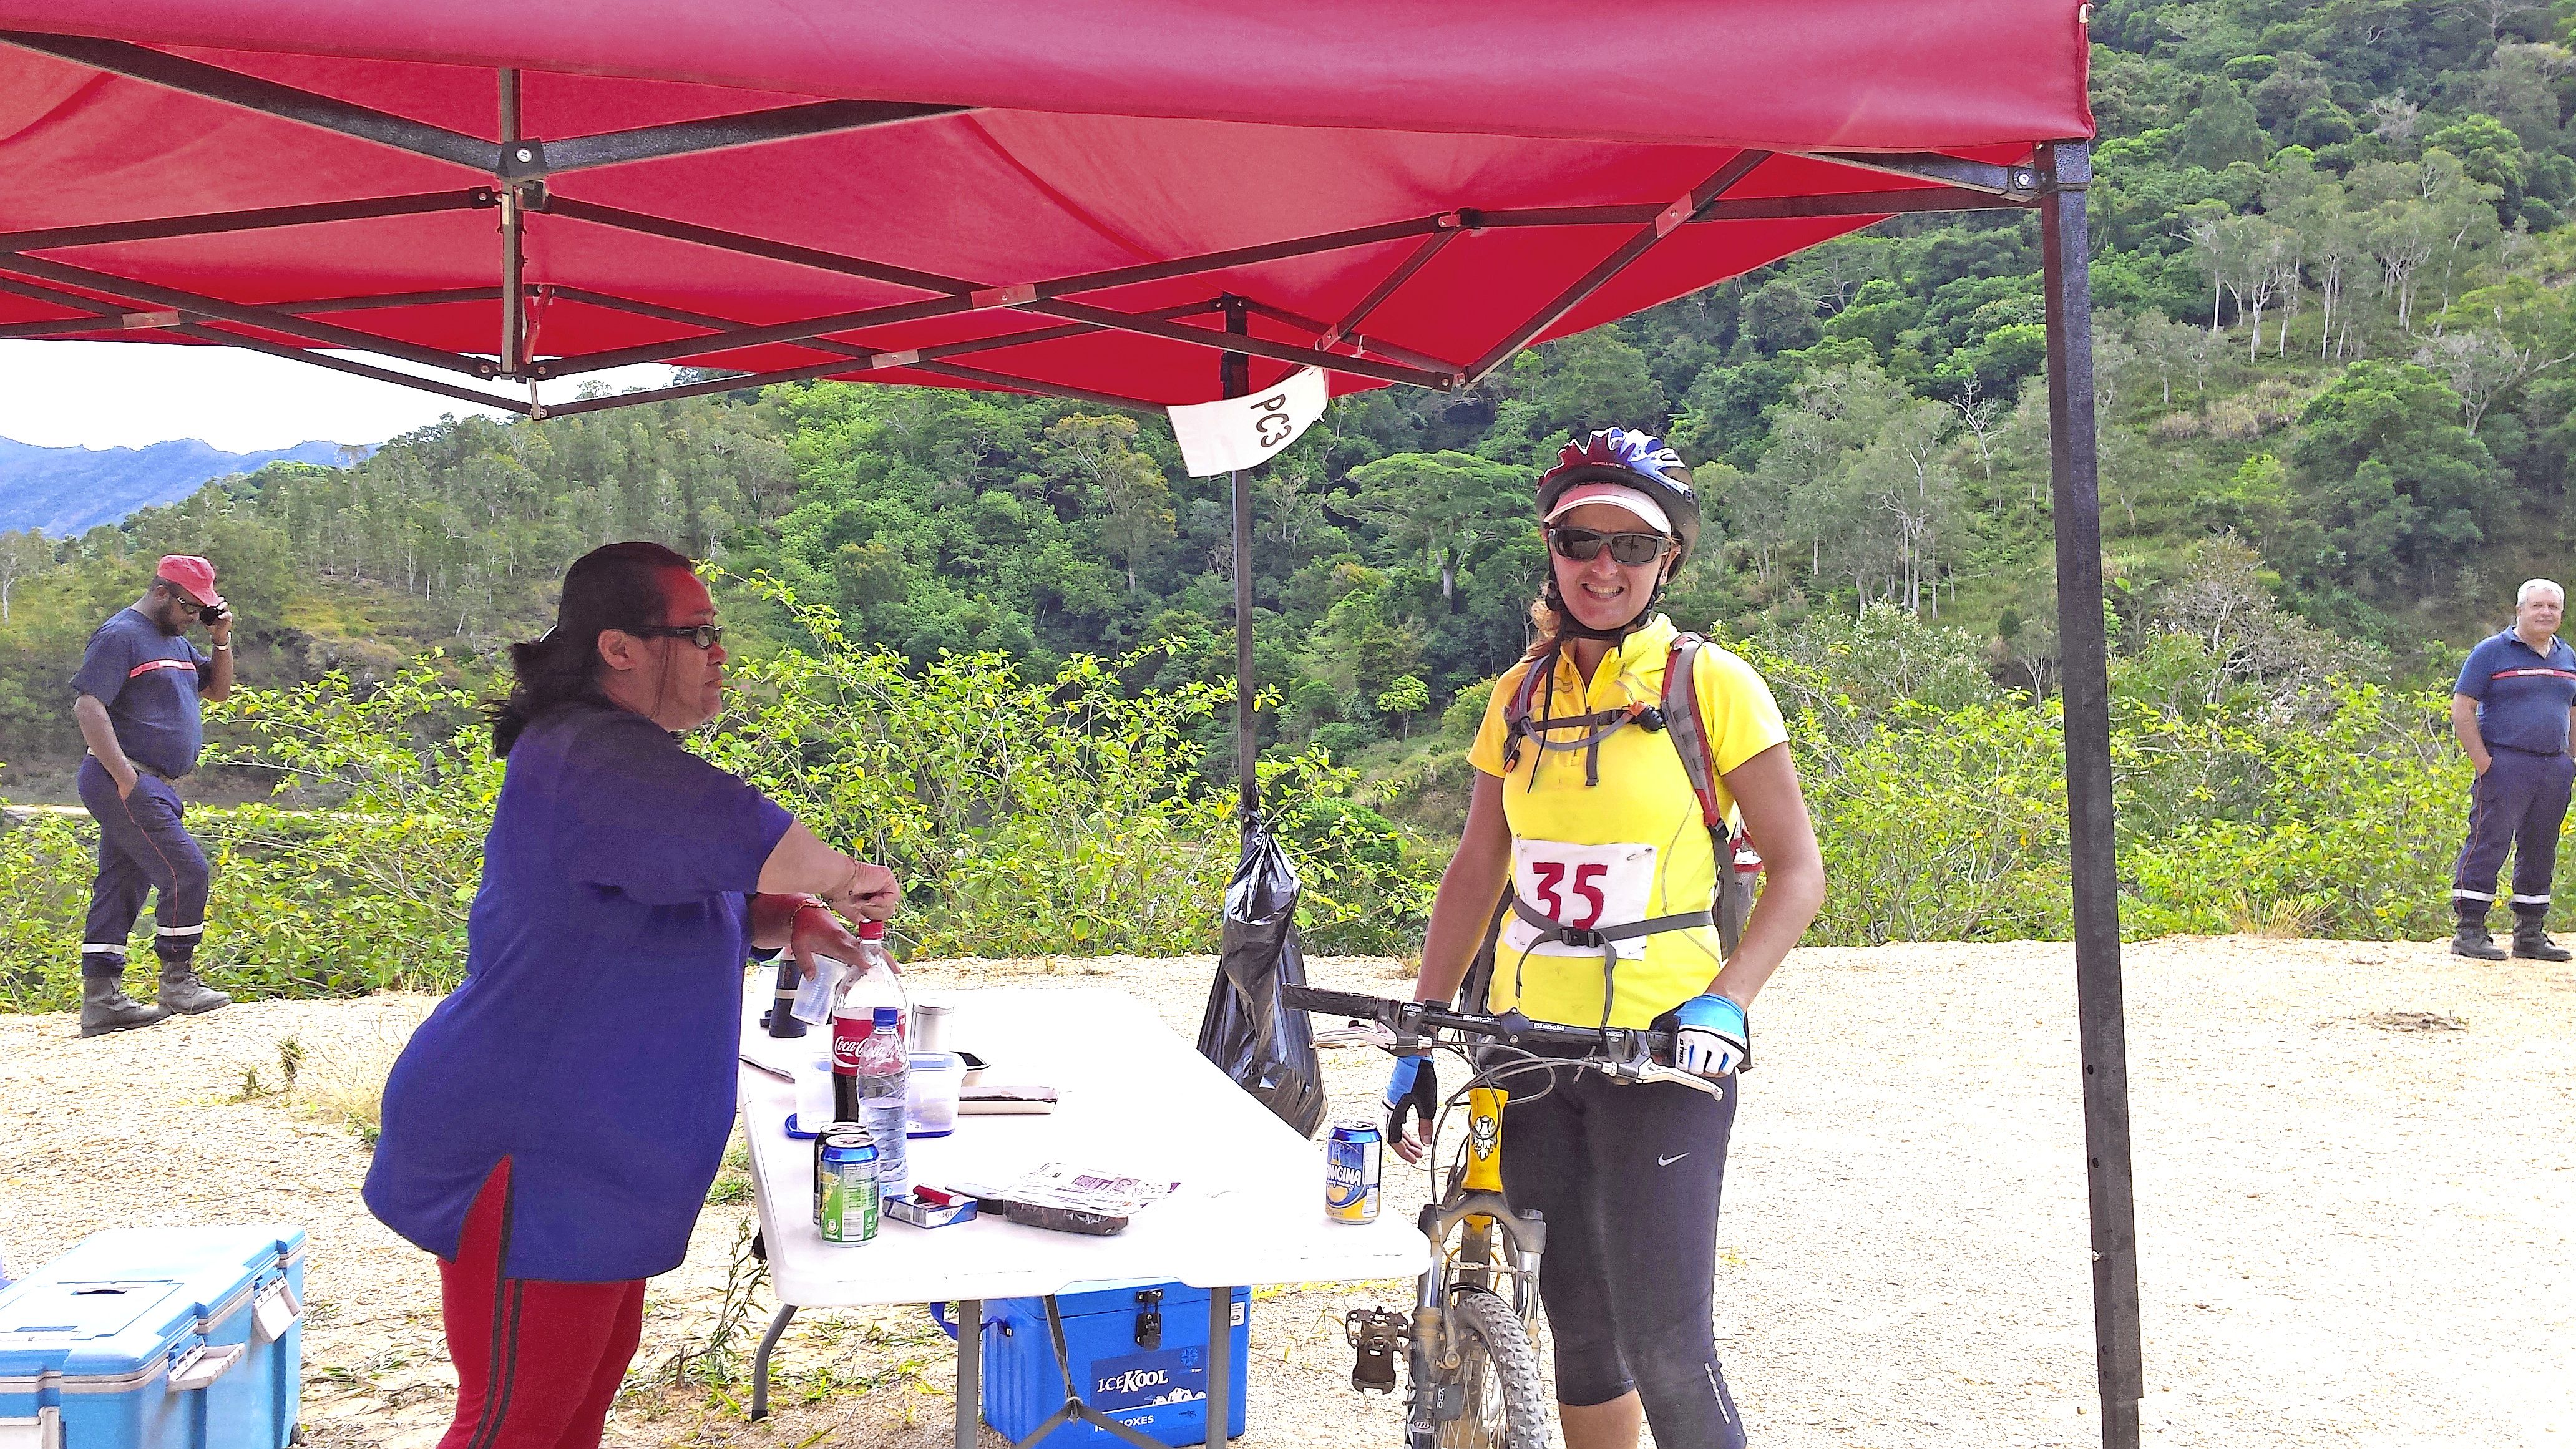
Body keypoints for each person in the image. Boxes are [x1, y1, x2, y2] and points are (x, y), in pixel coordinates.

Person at [363, 542, 902, 1449]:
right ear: (620, 647)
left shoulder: (617, 761)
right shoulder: (597, 757)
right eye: (696, 634)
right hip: (533, 1148)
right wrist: (844, 878)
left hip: (601, 1158)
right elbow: (758, 837)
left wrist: (793, 923)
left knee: (572, 1411)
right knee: (515, 1422)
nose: (718, 652)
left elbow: (696, 892)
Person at [1391, 431, 1826, 1449]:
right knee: (1581, 1331)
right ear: (1550, 546)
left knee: (1669, 1348)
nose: (1603, 567)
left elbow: (1796, 872)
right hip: (1523, 1044)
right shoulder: (1520, 695)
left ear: (1667, 559)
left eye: (1632, 547)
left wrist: (1728, 999)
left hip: (1665, 1048)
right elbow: (1476, 866)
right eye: (1582, 540)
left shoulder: (1709, 685)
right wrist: (1421, 1021)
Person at [66, 555, 236, 1036]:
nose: (192, 616)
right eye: (188, 606)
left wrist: (220, 639)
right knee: (187, 871)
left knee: (123, 883)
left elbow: (217, 691)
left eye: (201, 609)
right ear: (161, 592)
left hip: (154, 782)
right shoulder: (121, 635)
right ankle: (178, 981)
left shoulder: (177, 640)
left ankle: (102, 1001)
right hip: (126, 777)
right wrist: (126, 779)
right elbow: (88, 704)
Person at [2448, 578, 2576, 962]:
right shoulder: (2491, 652)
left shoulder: (2567, 657)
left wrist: (2572, 760)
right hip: (2505, 762)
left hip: (2553, 767)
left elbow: (2573, 712)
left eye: (2552, 607)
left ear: (2561, 613)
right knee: (2490, 842)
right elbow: (2462, 709)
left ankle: (2530, 933)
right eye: (2537, 606)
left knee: (2541, 847)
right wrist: (2483, 762)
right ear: (2519, 610)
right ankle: (2470, 930)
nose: (2545, 613)